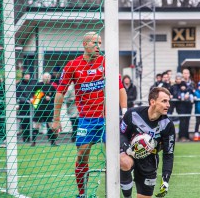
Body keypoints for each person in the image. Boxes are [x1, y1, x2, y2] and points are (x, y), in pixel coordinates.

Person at [52, 31, 127, 198]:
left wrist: (125, 113)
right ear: (85, 44)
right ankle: (82, 193)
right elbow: (60, 93)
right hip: (86, 119)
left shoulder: (106, 62)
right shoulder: (72, 65)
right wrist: (56, 119)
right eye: (95, 43)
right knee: (82, 155)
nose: (98, 46)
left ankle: (115, 193)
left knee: (116, 158)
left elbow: (120, 88)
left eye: (100, 43)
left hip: (109, 119)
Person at [120, 87, 175, 198]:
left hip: (149, 161)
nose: (168, 105)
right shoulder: (133, 114)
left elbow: (168, 154)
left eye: (168, 101)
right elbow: (121, 134)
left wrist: (165, 180)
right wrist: (127, 149)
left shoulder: (168, 125)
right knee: (124, 161)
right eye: (164, 101)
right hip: (130, 153)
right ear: (152, 102)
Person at [31, 72, 58, 146]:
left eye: (48, 77)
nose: (47, 78)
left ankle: (53, 142)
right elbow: (33, 96)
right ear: (43, 77)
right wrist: (40, 98)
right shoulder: (38, 85)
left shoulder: (51, 86)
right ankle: (33, 142)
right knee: (36, 125)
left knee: (50, 125)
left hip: (48, 109)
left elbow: (55, 97)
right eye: (46, 77)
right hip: (39, 108)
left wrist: (50, 98)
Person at [16, 72, 37, 143]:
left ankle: (33, 139)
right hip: (23, 107)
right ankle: (26, 138)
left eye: (28, 75)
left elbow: (38, 92)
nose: (27, 76)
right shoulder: (19, 84)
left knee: (33, 122)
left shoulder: (34, 83)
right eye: (25, 75)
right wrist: (27, 100)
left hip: (33, 106)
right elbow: (18, 95)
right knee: (24, 122)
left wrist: (34, 99)